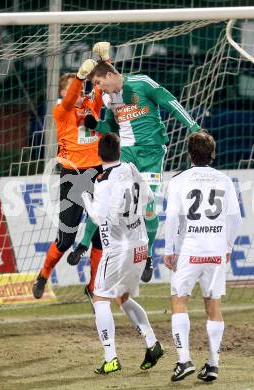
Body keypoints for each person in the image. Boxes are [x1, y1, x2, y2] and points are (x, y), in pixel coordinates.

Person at [71, 41, 201, 284]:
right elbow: (111, 127)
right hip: (126, 155)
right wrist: (95, 125)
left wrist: (194, 127)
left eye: (99, 83)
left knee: (149, 209)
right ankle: (83, 245)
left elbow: (171, 103)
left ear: (110, 75)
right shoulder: (110, 100)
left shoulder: (143, 83)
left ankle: (148, 256)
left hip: (151, 156)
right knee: (107, 197)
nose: (99, 89)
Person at [82, 132, 164, 374]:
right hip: (140, 244)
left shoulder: (103, 181)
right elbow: (148, 197)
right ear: (120, 152)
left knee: (100, 299)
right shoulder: (131, 168)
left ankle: (111, 357)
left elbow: (97, 216)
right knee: (122, 297)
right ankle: (152, 343)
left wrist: (86, 197)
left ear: (99, 154)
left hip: (119, 248)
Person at [163, 130, 241, 383]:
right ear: (213, 154)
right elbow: (234, 217)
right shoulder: (225, 181)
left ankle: (184, 359)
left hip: (190, 249)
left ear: (189, 155)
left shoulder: (178, 181)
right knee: (213, 305)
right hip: (216, 251)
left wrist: (168, 249)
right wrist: (227, 246)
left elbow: (173, 216)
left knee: (179, 300)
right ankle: (213, 364)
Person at [32, 59, 105, 299]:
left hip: (97, 173)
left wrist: (105, 60)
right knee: (66, 239)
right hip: (73, 175)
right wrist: (80, 78)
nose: (76, 91)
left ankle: (93, 288)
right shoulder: (61, 111)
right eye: (70, 88)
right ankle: (43, 275)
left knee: (99, 237)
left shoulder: (91, 106)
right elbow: (75, 91)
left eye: (79, 88)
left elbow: (101, 84)